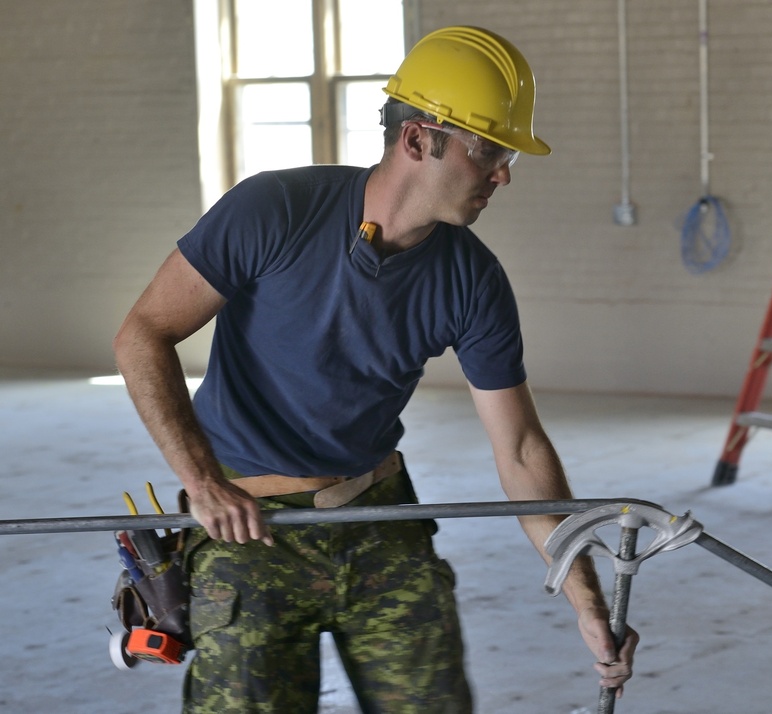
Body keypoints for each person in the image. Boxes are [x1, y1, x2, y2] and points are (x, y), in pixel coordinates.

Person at [113, 25, 638, 713]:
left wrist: (585, 597)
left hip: (378, 519)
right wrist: (202, 484)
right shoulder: (275, 210)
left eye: (507, 154)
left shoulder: (471, 279)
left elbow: (520, 448)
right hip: (246, 526)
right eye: (489, 150)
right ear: (418, 139)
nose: (503, 172)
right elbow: (142, 334)